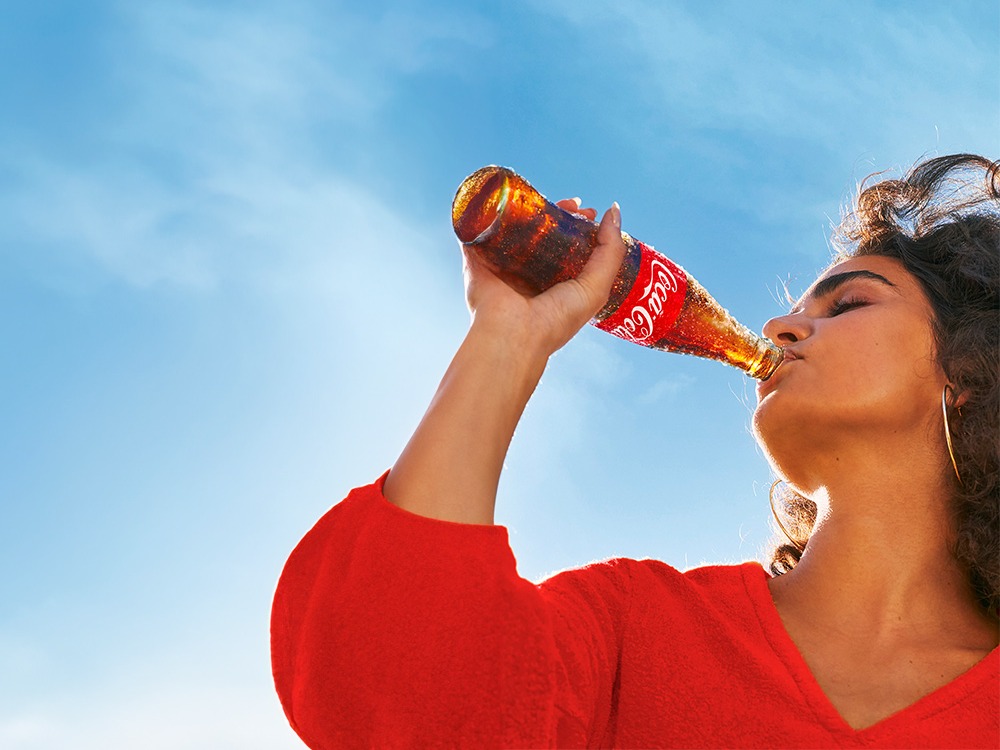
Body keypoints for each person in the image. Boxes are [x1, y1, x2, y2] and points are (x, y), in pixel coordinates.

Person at [270, 154, 999, 749]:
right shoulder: (638, 629)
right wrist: (508, 339)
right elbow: (383, 695)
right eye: (799, 305)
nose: (779, 325)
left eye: (846, 305)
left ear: (970, 372)